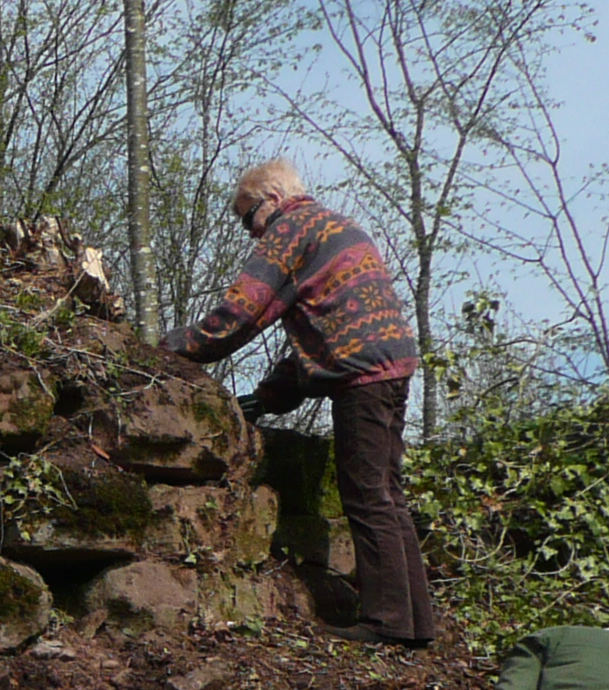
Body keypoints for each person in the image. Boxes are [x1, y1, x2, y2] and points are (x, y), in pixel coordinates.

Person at [162, 159, 433, 646]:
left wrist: (175, 346)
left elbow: (244, 310)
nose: (251, 232)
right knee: (388, 494)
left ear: (272, 198)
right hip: (392, 366)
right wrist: (267, 398)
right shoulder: (338, 227)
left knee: (366, 494)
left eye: (248, 217)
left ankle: (386, 623)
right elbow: (326, 330)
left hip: (361, 376)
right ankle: (417, 624)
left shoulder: (291, 229)